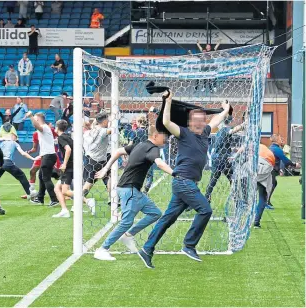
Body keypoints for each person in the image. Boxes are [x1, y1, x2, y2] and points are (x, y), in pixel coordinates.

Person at [138, 91, 231, 267]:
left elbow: (216, 121)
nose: (199, 122)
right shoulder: (183, 133)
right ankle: (189, 245)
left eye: (202, 119)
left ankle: (147, 248)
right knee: (205, 210)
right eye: (195, 119)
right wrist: (168, 100)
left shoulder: (205, 133)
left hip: (186, 183)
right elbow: (165, 122)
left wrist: (225, 110)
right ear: (189, 122)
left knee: (167, 219)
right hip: (183, 181)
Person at [94, 126, 173, 260]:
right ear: (155, 136)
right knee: (126, 222)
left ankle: (128, 236)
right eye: (164, 136)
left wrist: (106, 168)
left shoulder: (139, 145)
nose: (166, 139)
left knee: (155, 213)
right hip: (129, 189)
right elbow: (159, 163)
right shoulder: (153, 149)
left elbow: (118, 151)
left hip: (132, 190)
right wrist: (175, 173)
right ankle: (102, 249)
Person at [53, 120, 95, 218]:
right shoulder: (68, 136)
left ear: (57, 127)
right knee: (57, 188)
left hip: (68, 167)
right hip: (74, 165)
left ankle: (88, 201)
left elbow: (68, 149)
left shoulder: (61, 138)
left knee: (65, 191)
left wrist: (64, 164)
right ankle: (64, 210)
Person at [205, 118, 245, 203]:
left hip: (217, 159)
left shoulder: (218, 133)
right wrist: (244, 124)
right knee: (232, 179)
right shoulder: (224, 129)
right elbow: (232, 130)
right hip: (224, 160)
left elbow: (224, 144)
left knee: (213, 180)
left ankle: (207, 197)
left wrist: (232, 149)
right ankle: (237, 200)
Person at [27, 111, 59, 206]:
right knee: (41, 177)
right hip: (46, 156)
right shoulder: (44, 128)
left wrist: (31, 116)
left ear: (38, 119)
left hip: (48, 156)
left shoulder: (44, 127)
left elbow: (37, 126)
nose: (34, 121)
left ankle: (54, 199)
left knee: (46, 178)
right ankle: (40, 198)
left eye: (36, 119)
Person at [0, 132, 38, 199]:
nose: (17, 139)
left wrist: (2, 138)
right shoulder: (14, 143)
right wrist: (33, 158)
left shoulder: (1, 142)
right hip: (6, 162)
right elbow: (23, 153)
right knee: (21, 175)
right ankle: (29, 193)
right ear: (13, 137)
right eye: (16, 137)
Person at [82, 112, 111, 208]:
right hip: (98, 160)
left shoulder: (91, 131)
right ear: (105, 120)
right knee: (90, 182)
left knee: (106, 178)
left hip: (91, 158)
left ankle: (113, 199)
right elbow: (112, 130)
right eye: (108, 119)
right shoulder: (103, 131)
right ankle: (80, 200)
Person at [268, 134, 300, 208]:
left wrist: (279, 170)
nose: (281, 140)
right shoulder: (277, 149)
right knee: (271, 185)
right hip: (270, 170)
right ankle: (266, 203)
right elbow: (285, 161)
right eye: (280, 139)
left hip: (270, 170)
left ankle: (267, 202)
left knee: (273, 184)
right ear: (276, 140)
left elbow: (276, 161)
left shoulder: (272, 148)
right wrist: (295, 165)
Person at [254, 144, 276, 228]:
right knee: (262, 197)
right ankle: (256, 221)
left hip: (256, 168)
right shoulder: (264, 148)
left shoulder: (255, 147)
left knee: (250, 196)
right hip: (266, 168)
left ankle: (249, 218)